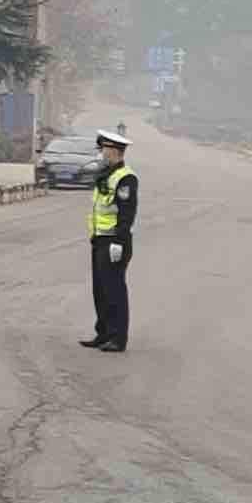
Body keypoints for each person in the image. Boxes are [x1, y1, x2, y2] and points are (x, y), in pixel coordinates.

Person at [82, 128, 139, 352]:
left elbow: (127, 213)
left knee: (114, 291)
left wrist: (119, 242)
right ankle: (103, 333)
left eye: (104, 149)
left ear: (114, 151)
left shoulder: (126, 178)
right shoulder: (105, 175)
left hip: (115, 242)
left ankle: (118, 338)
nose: (101, 153)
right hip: (99, 240)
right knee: (100, 290)